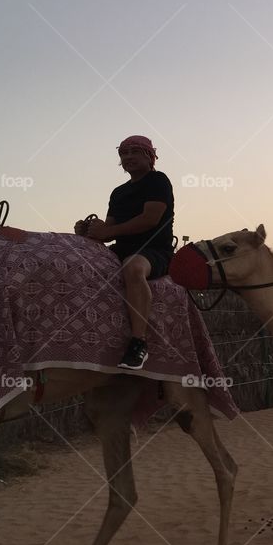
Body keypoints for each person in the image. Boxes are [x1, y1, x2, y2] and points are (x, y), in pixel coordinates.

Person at [75, 135, 175, 370]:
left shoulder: (158, 181)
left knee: (133, 267)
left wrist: (108, 231)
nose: (128, 157)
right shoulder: (118, 192)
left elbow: (150, 220)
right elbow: (109, 230)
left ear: (149, 157)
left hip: (153, 250)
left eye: (134, 152)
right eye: (124, 153)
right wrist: (89, 231)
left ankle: (139, 343)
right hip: (119, 250)